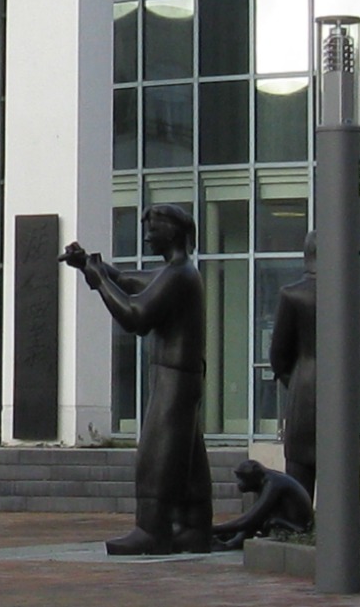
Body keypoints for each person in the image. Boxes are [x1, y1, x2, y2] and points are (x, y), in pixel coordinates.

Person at [61, 204, 212, 555]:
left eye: (153, 225)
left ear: (173, 232)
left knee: (157, 451)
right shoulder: (176, 273)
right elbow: (130, 281)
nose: (146, 231)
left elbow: (136, 316)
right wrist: (89, 265)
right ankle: (194, 527)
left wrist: (98, 281)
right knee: (184, 450)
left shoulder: (179, 276)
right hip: (179, 375)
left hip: (176, 376)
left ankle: (152, 528)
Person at [268, 231, 360, 500]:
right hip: (339, 392)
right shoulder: (352, 295)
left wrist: (295, 379)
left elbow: (278, 354)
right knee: (341, 482)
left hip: (303, 388)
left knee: (299, 475)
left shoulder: (292, 295)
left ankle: (297, 532)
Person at [211, 459, 313, 550]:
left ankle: (231, 544)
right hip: (286, 521)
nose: (239, 483)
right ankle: (229, 538)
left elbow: (250, 519)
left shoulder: (273, 484)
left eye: (242, 478)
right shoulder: (268, 480)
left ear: (254, 475)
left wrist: (214, 529)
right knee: (259, 517)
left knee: (258, 519)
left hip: (297, 528)